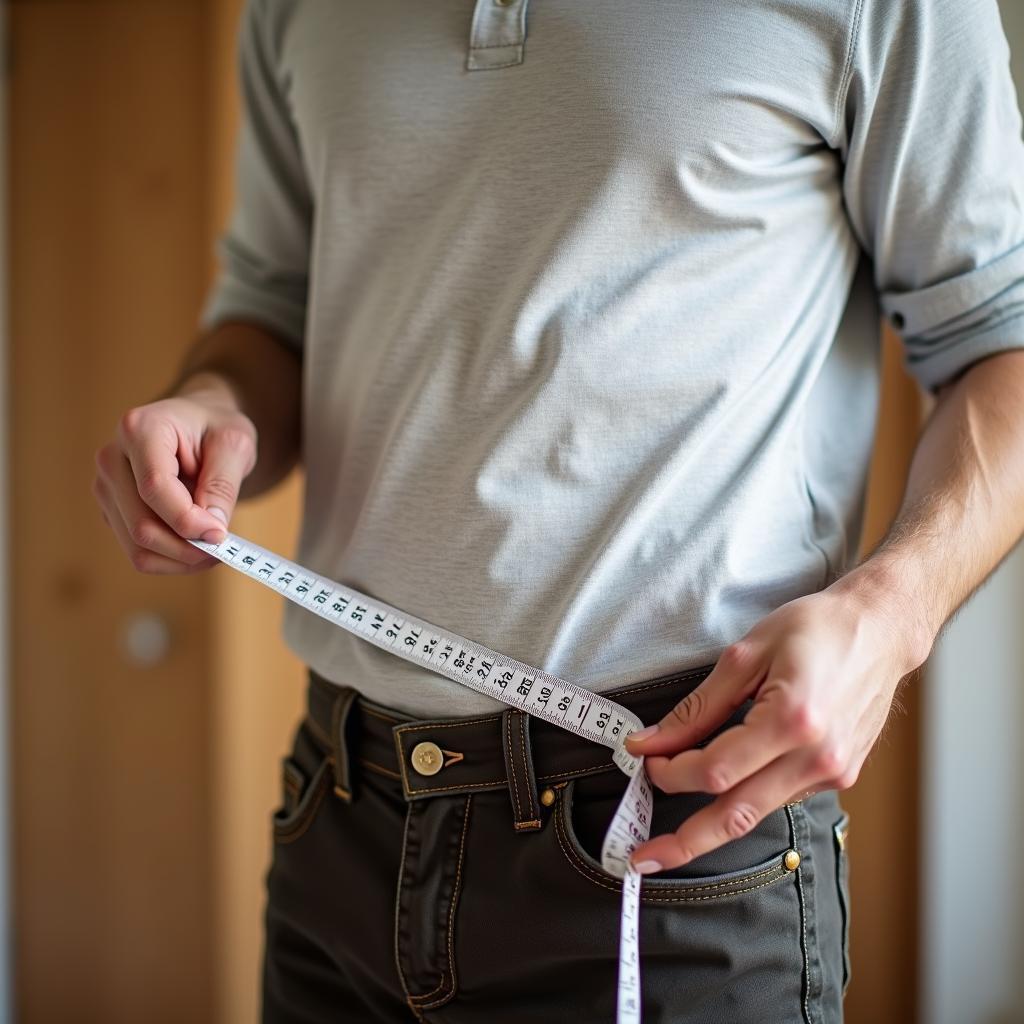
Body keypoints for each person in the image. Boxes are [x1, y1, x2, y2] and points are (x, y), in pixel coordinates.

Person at [91, 1, 1024, 1021]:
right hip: (341, 807)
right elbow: (270, 307)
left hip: (675, 833)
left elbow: (1001, 341)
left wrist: (891, 616)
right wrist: (214, 402)